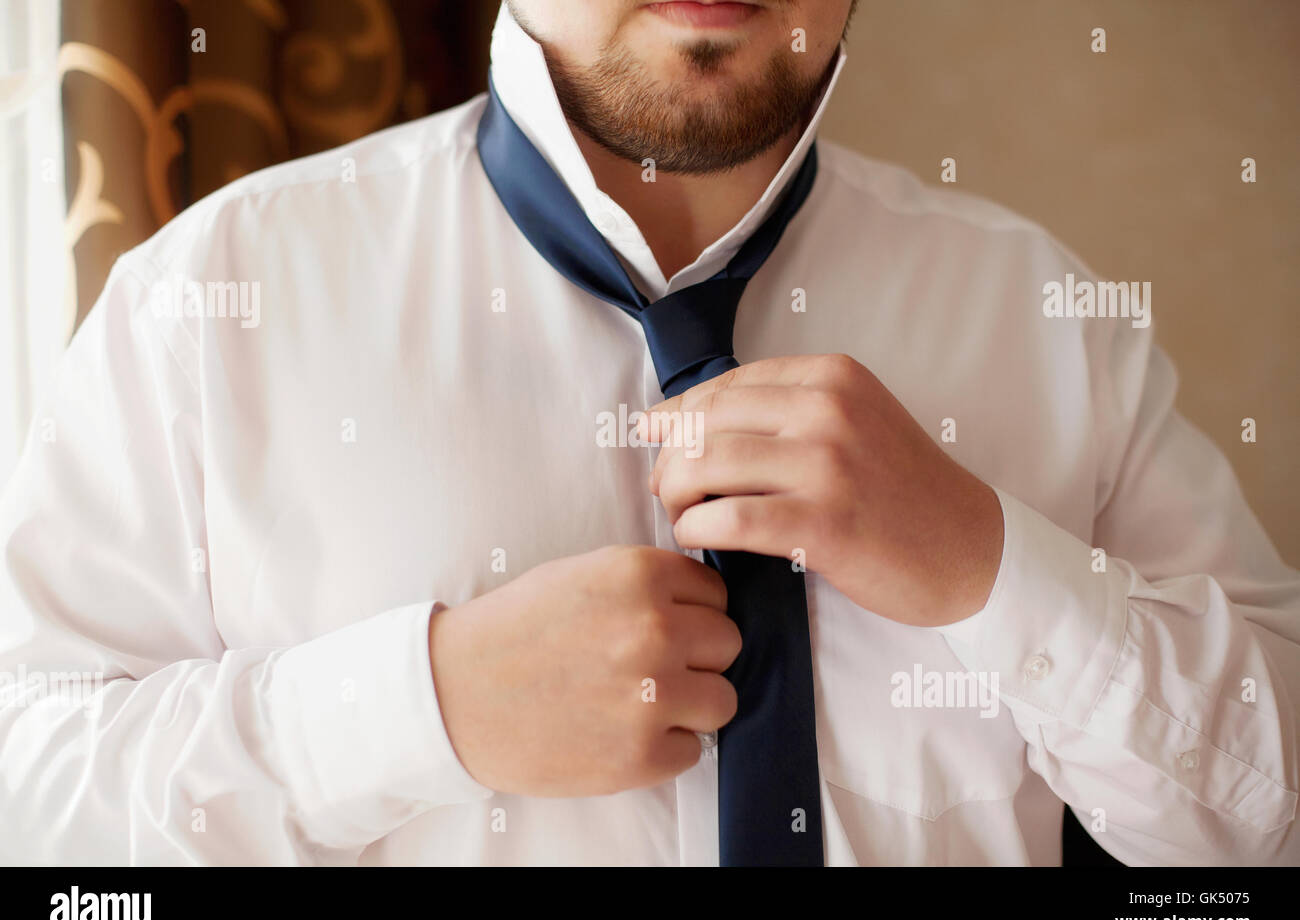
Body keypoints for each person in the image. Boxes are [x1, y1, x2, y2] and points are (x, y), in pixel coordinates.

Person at [0, 0, 1296, 866]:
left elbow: (1267, 822)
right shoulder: (212, 306)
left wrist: (989, 564)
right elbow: (37, 816)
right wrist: (419, 708)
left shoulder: (1050, 321)